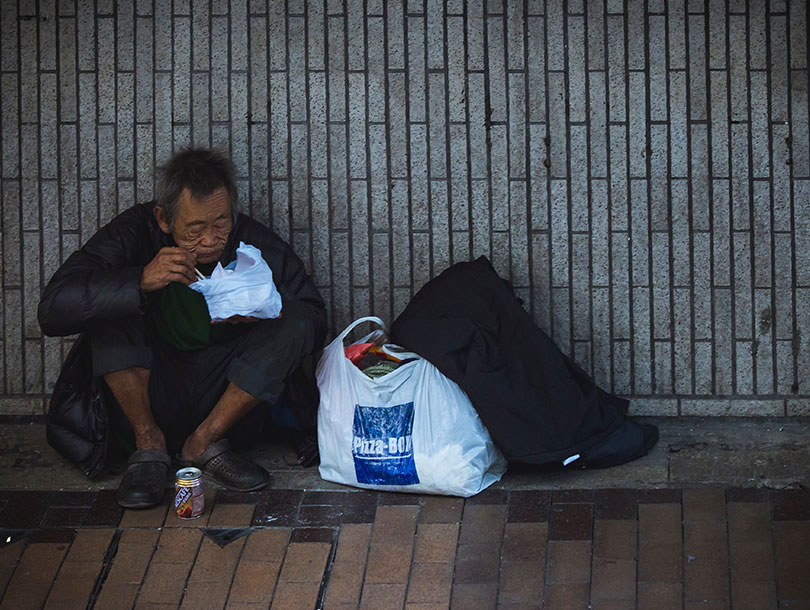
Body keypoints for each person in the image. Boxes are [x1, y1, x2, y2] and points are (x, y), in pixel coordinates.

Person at [38, 148, 327, 508]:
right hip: (148, 390)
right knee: (111, 304)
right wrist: (138, 281)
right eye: (195, 229)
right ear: (163, 219)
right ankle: (149, 446)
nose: (210, 239)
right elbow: (52, 309)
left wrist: (266, 309)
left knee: (294, 318)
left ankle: (205, 442)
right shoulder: (135, 232)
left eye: (221, 223)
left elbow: (314, 315)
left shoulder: (247, 238)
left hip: (222, 395)